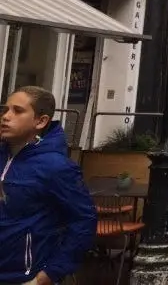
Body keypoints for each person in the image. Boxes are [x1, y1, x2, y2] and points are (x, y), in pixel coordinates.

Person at [0, 86, 98, 284]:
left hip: (24, 276)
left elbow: (83, 221)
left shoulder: (56, 167)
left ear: (41, 121)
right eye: (5, 109)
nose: (5, 116)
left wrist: (49, 275)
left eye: (17, 111)